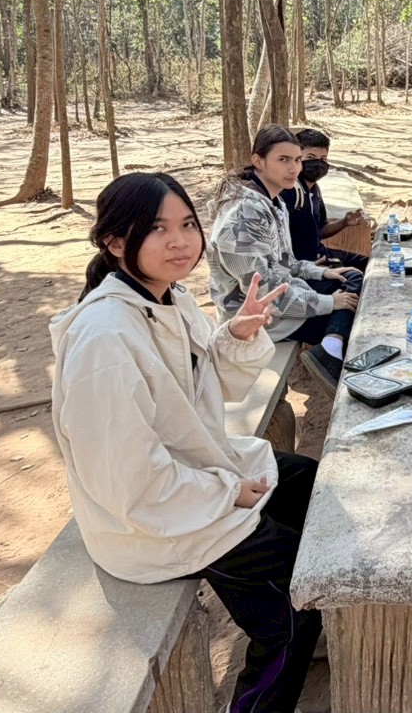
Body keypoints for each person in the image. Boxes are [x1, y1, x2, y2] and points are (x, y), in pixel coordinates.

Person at [51, 172, 320, 713]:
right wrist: (228, 492)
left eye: (188, 225)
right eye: (158, 228)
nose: (180, 241)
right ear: (115, 241)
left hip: (198, 471)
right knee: (296, 600)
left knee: (314, 486)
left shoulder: (166, 298)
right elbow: (127, 479)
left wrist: (236, 335)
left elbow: (200, 390)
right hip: (154, 520)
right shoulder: (105, 338)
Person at [209, 125, 361, 390]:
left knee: (351, 279)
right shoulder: (243, 215)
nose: (294, 168)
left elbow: (285, 262)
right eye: (283, 159)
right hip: (262, 319)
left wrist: (321, 272)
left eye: (297, 160)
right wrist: (328, 302)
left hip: (287, 296)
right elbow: (264, 293)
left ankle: (330, 349)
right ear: (258, 161)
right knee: (355, 318)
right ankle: (334, 358)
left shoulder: (274, 202)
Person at [278, 127, 367, 275]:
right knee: (354, 277)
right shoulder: (289, 191)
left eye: (323, 159)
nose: (318, 163)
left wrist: (345, 222)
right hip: (304, 263)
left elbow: (319, 230)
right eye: (311, 157)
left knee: (370, 264)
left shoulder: (315, 190)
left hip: (321, 253)